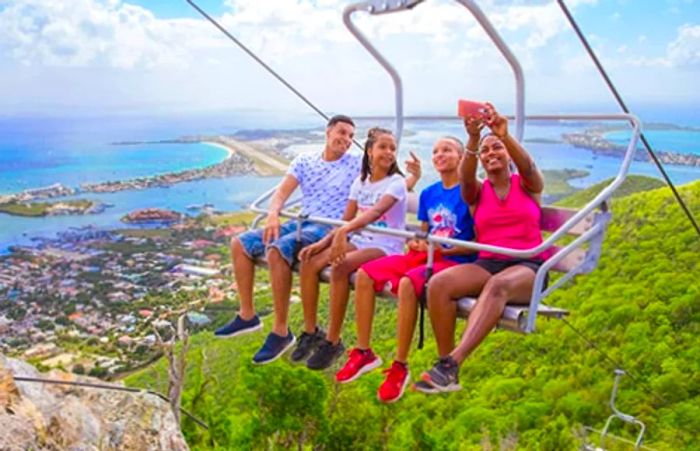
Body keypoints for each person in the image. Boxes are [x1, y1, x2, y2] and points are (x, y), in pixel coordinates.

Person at [215, 116, 420, 365]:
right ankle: (250, 316)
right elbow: (283, 191)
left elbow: (387, 187)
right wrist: (272, 213)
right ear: (328, 131)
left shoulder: (358, 165)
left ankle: (287, 332)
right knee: (241, 243)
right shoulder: (307, 161)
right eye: (341, 132)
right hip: (305, 222)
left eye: (350, 136)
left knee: (279, 251)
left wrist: (413, 178)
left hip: (332, 226)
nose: (345, 139)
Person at [415, 103, 553, 393]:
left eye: (497, 149)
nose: (492, 154)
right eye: (486, 152)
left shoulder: (527, 185)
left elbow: (528, 166)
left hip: (528, 265)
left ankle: (453, 362)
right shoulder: (477, 192)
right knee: (438, 285)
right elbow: (465, 179)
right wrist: (474, 139)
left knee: (498, 286)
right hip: (488, 262)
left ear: (508, 155)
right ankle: (445, 364)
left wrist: (502, 133)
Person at [333, 136, 476, 403]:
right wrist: (418, 242)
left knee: (409, 283)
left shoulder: (469, 193)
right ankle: (363, 351)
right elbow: (425, 233)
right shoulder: (429, 194)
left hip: (451, 261)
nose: (440, 154)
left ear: (461, 157)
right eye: (436, 150)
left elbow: (477, 242)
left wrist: (439, 250)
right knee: (365, 274)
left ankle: (400, 365)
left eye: (447, 150)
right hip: (425, 255)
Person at [292, 127, 408, 370]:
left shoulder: (396, 182)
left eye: (392, 148)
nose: (388, 152)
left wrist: (344, 234)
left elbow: (376, 213)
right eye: (383, 147)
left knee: (340, 267)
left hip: (386, 244)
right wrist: (322, 243)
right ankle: (311, 330)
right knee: (310, 262)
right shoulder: (361, 182)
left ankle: (333, 340)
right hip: (362, 238)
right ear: (369, 151)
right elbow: (346, 220)